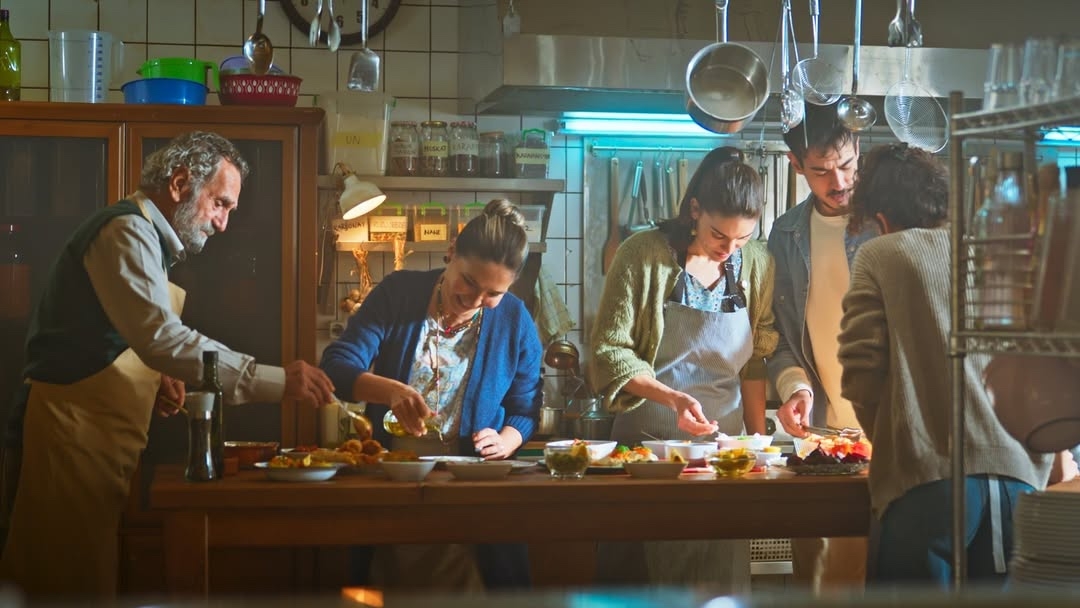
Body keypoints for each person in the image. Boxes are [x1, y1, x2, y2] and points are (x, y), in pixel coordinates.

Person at [0, 131, 336, 600]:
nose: (222, 224)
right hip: (67, 440)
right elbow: (161, 337)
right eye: (219, 203)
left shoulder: (149, 240)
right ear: (179, 184)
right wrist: (276, 380)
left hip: (90, 445)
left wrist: (153, 376)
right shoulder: (127, 231)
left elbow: (119, 330)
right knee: (61, 591)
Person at [837, 143, 1060, 586]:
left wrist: (898, 441)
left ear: (880, 218)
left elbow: (861, 371)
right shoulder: (994, 251)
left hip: (929, 488)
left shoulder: (880, 254)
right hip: (1019, 485)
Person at [320, 198, 543, 590]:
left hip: (475, 495)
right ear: (452, 251)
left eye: (493, 293)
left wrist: (506, 440)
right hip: (395, 485)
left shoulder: (515, 319)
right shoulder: (399, 293)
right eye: (469, 281)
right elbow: (337, 366)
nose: (475, 300)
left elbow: (525, 407)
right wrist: (390, 391)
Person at [589, 146, 777, 590]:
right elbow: (609, 350)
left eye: (742, 239)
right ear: (695, 210)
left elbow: (755, 359)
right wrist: (671, 398)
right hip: (645, 455)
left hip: (722, 460)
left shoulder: (757, 263)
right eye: (718, 235)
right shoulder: (641, 254)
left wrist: (757, 448)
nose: (728, 250)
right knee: (643, 585)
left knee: (719, 584)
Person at [766, 102, 877, 591]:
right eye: (821, 171)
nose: (840, 182)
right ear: (796, 166)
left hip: (885, 428)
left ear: (859, 150)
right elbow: (780, 337)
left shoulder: (887, 223)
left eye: (847, 165)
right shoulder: (786, 233)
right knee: (815, 573)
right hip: (821, 431)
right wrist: (796, 388)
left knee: (872, 571)